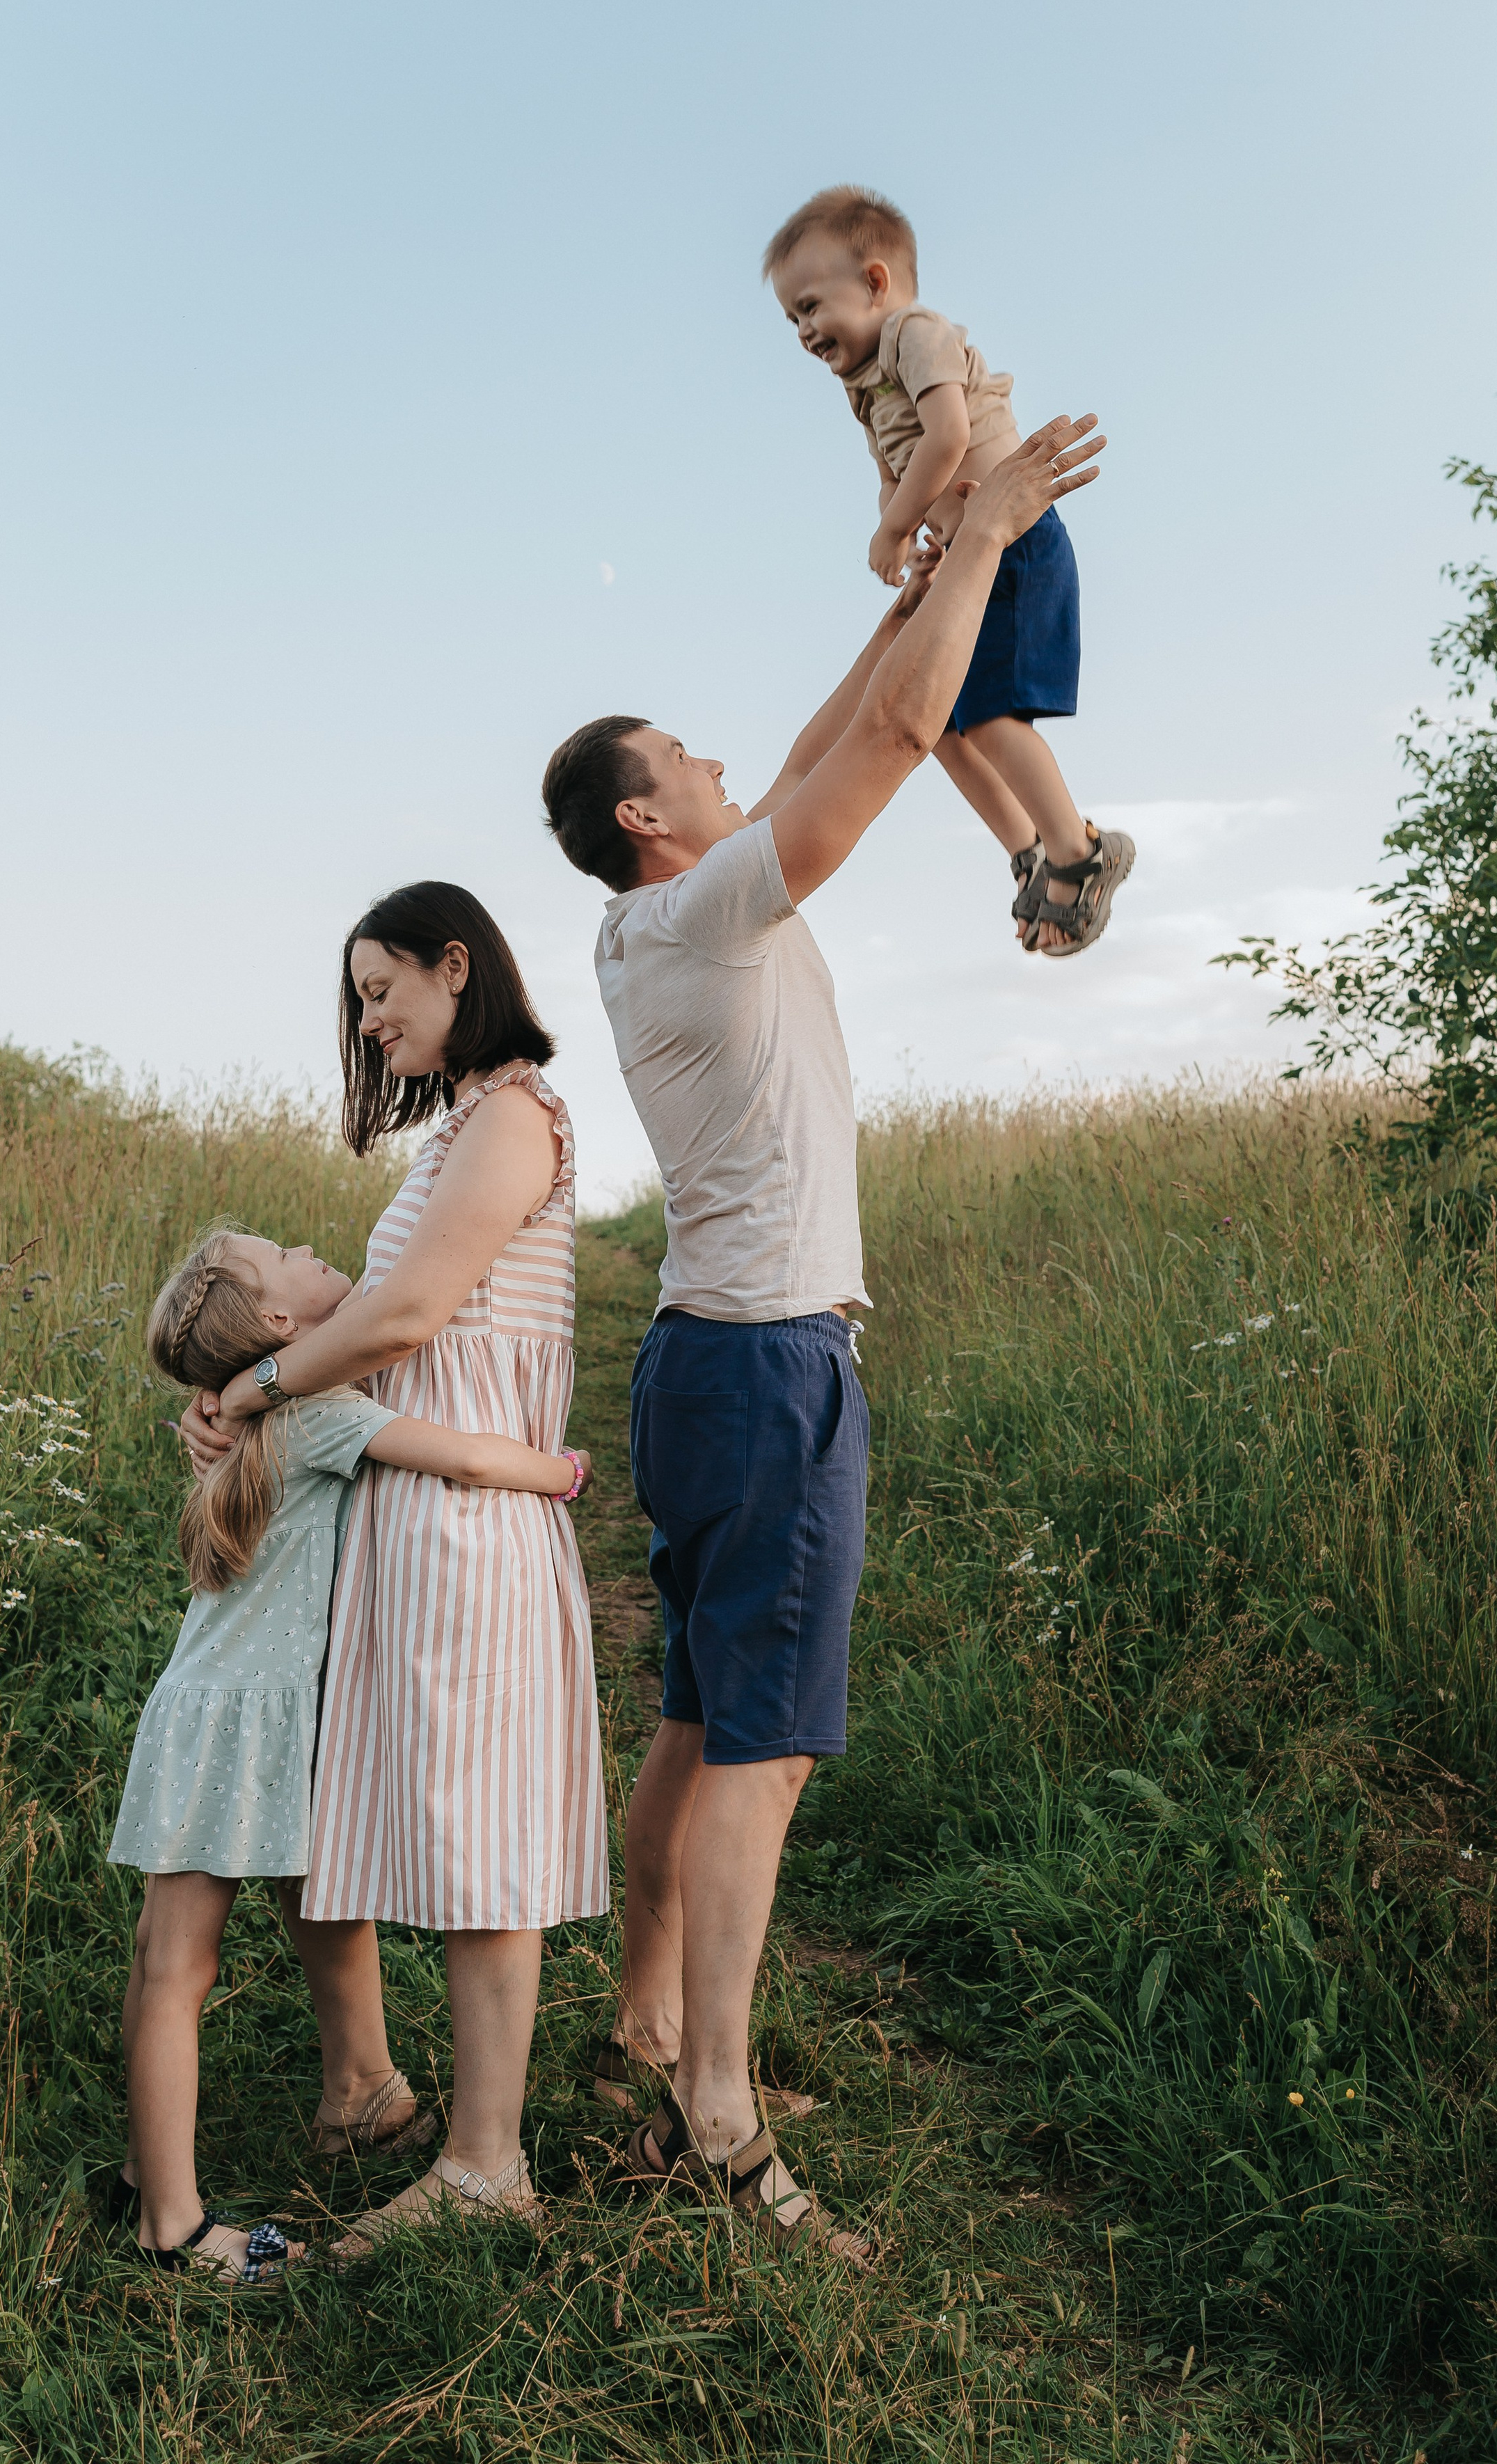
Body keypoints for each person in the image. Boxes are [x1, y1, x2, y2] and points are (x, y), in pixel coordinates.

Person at [540, 413, 1104, 2259]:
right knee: (760, 1753)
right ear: (648, 819)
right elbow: (869, 752)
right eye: (685, 759)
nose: (721, 761)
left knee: (704, 1713)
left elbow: (824, 735)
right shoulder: (706, 912)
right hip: (773, 1368)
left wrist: (931, 572)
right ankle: (718, 2119)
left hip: (708, 1361)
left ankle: (644, 2024)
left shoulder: (662, 925)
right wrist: (994, 522)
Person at [181, 883, 608, 2246]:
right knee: (365, 1807)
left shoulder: (510, 1115)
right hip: (415, 1518)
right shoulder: (457, 1132)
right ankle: (370, 2093)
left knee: (482, 1833)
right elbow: (374, 1315)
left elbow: (413, 1312)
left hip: (467, 1528)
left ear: (454, 965)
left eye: (381, 992)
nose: (367, 1025)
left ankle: (485, 2168)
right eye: (357, 1003)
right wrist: (242, 1383)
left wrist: (255, 1388)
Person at [113, 1226, 592, 2283]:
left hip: (208, 1708)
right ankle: (175, 2234)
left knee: (177, 1959)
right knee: (176, 1972)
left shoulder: (270, 1408)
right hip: (245, 1719)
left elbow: (390, 1318)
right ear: (280, 1325)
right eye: (282, 1252)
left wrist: (225, 1389)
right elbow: (462, 1455)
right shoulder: (318, 1412)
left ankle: (255, 2142)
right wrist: (557, 1470)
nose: (305, 1243)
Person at [763, 182, 1133, 961]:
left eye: (809, 306)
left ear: (873, 282)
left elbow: (946, 436)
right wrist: (907, 537)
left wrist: (892, 526)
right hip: (971, 560)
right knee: (942, 726)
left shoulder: (915, 333)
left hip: (1017, 546)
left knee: (994, 717)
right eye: (791, 318)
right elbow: (892, 467)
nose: (802, 330)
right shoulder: (863, 386)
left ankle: (1079, 851)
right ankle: (1028, 849)